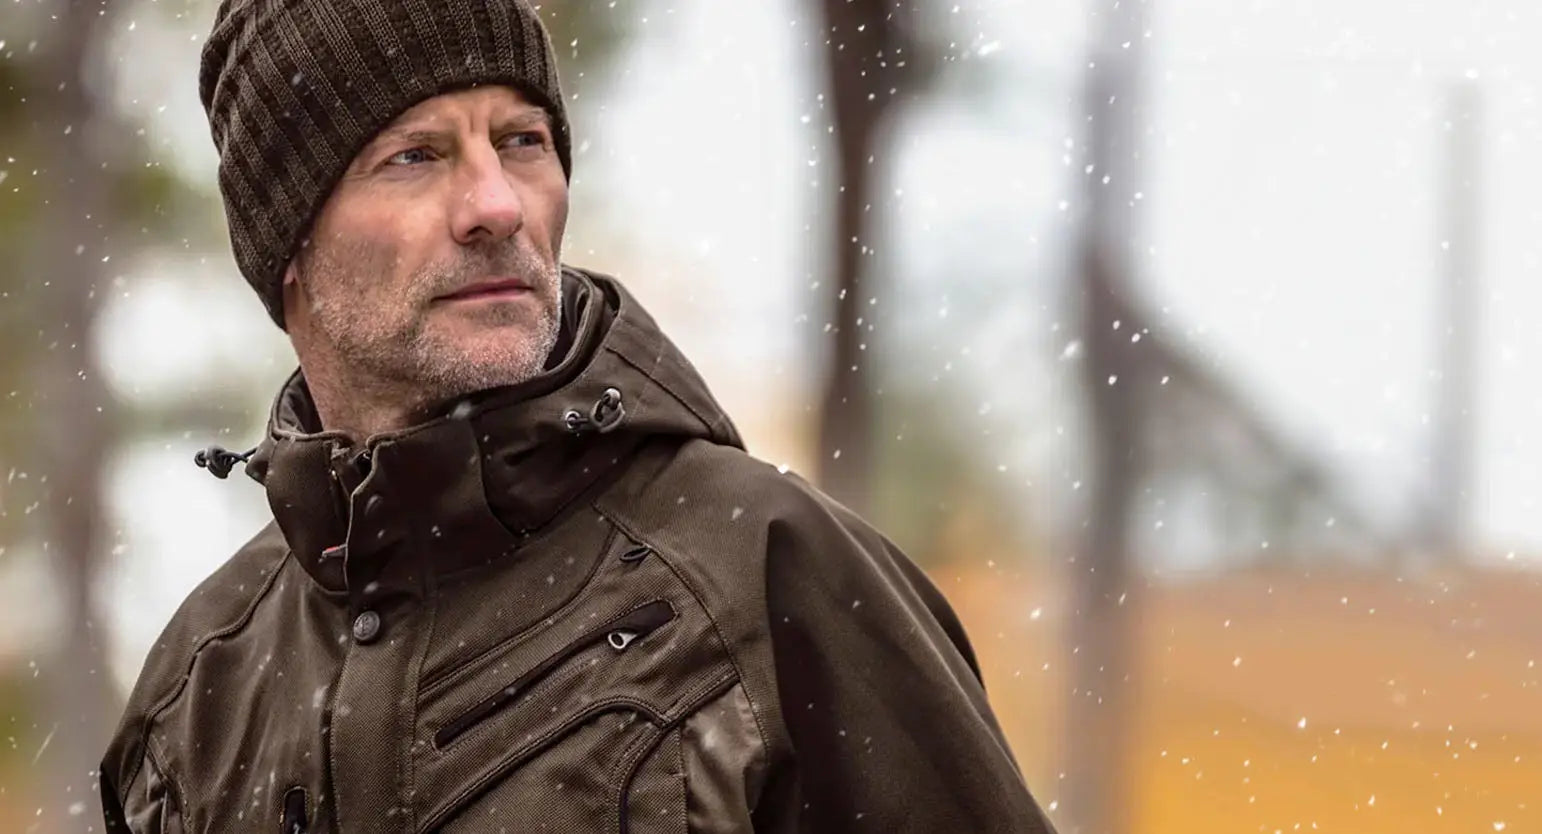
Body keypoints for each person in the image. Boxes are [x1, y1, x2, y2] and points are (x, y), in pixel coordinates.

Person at [100, 1, 1057, 831]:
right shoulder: (196, 695)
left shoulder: (769, 576)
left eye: (521, 141)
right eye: (415, 156)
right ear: (289, 250)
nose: (495, 206)